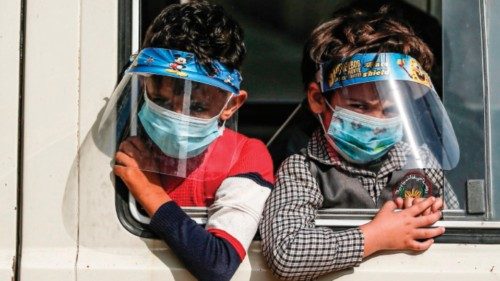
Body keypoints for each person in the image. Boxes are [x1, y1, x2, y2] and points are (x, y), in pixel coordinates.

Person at [259, 5, 460, 280]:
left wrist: (433, 218)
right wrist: (375, 236)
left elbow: (464, 234)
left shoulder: (422, 161)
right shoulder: (303, 168)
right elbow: (286, 252)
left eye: (391, 110)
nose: (377, 121)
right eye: (359, 107)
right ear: (319, 100)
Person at [111, 2, 274, 281]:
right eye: (161, 101)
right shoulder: (128, 142)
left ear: (231, 104)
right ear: (144, 85)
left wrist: (150, 190)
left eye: (196, 107)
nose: (175, 117)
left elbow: (219, 264)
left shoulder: (245, 156)